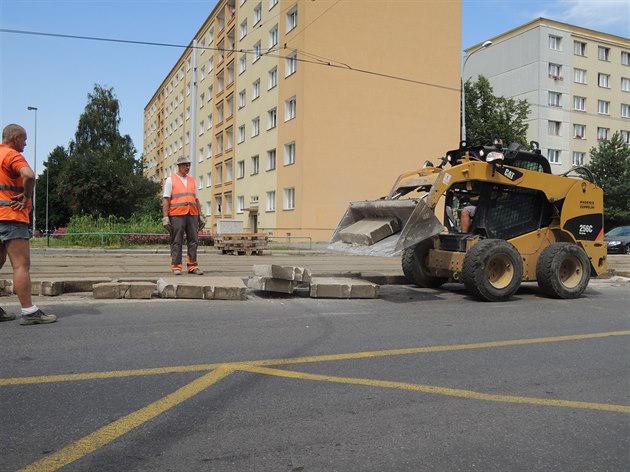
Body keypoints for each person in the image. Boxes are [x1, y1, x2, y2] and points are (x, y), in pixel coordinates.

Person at [0, 124, 56, 325]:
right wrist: (26, 195)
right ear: (15, 138)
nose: (26, 143)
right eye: (24, 139)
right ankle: (29, 311)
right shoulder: (12, 155)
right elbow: (29, 175)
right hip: (11, 216)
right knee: (21, 265)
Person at [162, 155, 205, 275]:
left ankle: (192, 266)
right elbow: (166, 200)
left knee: (193, 241)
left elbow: (196, 200)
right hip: (177, 215)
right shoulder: (171, 180)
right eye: (185, 165)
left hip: (192, 214)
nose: (188, 167)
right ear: (179, 166)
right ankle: (176, 266)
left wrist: (200, 215)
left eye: (189, 165)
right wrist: (165, 217)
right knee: (176, 241)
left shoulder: (192, 180)